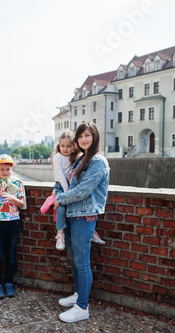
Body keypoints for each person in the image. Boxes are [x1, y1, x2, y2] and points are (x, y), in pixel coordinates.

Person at [54, 122, 110, 323]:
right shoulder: (80, 160)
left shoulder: (98, 162)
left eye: (87, 135)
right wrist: (58, 192)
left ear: (94, 137)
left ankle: (82, 307)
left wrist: (60, 199)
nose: (84, 139)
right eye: (80, 137)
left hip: (84, 217)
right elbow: (64, 183)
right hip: (72, 215)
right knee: (75, 260)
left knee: (82, 262)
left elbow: (83, 190)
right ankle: (79, 294)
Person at [41, 132, 106, 249]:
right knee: (60, 206)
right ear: (59, 146)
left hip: (72, 186)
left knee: (86, 205)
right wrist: (66, 190)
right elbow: (60, 175)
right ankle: (60, 233)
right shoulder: (57, 157)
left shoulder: (77, 158)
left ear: (74, 146)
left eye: (69, 146)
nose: (65, 149)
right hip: (62, 186)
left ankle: (91, 232)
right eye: (62, 146)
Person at [0, 154, 26, 299]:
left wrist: (13, 198)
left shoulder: (17, 184)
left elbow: (22, 204)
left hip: (13, 221)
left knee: (11, 254)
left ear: (11, 169)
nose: (5, 172)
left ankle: (9, 283)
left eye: (8, 169)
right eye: (2, 169)